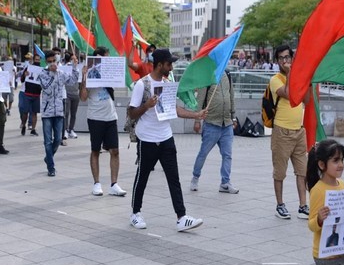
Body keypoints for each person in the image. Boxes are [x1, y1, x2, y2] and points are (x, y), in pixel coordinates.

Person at [127, 48, 207, 232]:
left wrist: (196, 114)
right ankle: (135, 213)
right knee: (142, 177)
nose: (171, 67)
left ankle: (181, 217)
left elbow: (175, 110)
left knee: (174, 178)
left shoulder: (167, 83)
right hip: (147, 139)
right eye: (169, 64)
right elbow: (132, 113)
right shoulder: (142, 84)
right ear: (160, 64)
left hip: (166, 138)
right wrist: (147, 105)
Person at [79, 47, 127, 197]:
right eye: (104, 58)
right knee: (95, 150)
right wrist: (84, 77)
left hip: (111, 116)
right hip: (95, 117)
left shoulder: (108, 72)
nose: (107, 61)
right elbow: (83, 97)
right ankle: (97, 183)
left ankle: (114, 184)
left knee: (115, 151)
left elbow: (119, 82)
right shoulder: (90, 73)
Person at [270, 44, 309, 220]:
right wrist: (292, 73)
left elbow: (306, 100)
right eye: (281, 58)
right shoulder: (276, 79)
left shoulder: (297, 78)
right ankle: (280, 204)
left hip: (299, 131)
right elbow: (289, 93)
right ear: (277, 61)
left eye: (288, 57)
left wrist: (307, 80)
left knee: (302, 170)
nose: (285, 61)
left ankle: (303, 205)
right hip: (282, 132)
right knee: (280, 171)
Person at [190, 70, 239, 193]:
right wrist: (197, 121)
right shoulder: (207, 75)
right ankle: (195, 178)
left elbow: (231, 96)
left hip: (226, 123)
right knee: (203, 153)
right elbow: (200, 99)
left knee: (227, 155)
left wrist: (233, 117)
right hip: (212, 123)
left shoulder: (227, 74)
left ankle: (225, 183)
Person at [38, 50, 78, 176]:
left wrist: (75, 67)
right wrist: (52, 74)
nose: (52, 64)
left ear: (57, 60)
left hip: (59, 111)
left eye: (54, 61)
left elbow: (73, 81)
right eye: (49, 62)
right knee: (48, 141)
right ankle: (51, 167)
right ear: (46, 62)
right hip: (47, 113)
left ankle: (48, 157)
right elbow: (47, 89)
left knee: (58, 139)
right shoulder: (43, 74)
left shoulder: (62, 73)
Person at [21, 54, 42, 136]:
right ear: (33, 60)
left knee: (34, 113)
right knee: (25, 112)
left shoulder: (42, 70)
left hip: (37, 94)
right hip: (27, 93)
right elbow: (22, 80)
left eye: (38, 60)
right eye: (36, 59)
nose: (37, 61)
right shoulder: (29, 68)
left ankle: (33, 129)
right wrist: (24, 75)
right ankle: (23, 125)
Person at [63, 51, 80, 139]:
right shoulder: (65, 68)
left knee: (74, 113)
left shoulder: (78, 68)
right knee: (66, 113)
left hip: (76, 94)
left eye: (76, 59)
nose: (75, 60)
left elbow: (79, 80)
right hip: (67, 93)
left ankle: (71, 129)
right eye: (73, 59)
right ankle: (65, 130)